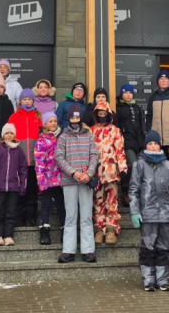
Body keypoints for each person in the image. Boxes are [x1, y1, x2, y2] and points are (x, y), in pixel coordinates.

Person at [128, 130, 169, 292]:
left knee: (164, 248)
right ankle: (148, 279)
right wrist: (134, 212)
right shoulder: (139, 165)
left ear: (160, 146)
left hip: (166, 215)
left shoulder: (168, 166)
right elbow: (133, 190)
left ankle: (162, 279)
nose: (153, 146)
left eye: (155, 143)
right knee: (148, 248)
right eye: (150, 144)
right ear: (146, 146)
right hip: (147, 214)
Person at [54, 109, 98, 263]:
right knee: (70, 216)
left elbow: (94, 155)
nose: (74, 118)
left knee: (86, 216)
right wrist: (73, 173)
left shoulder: (88, 135)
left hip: (86, 181)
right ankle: (68, 250)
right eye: (72, 116)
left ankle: (88, 250)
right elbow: (59, 157)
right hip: (69, 181)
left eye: (77, 116)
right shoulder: (63, 136)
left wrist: (89, 174)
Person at [90, 101, 127, 245]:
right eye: (99, 113)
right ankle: (99, 230)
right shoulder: (91, 131)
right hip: (96, 173)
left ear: (109, 114)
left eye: (104, 113)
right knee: (98, 202)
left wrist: (122, 168)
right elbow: (88, 152)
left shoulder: (115, 130)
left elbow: (120, 150)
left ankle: (111, 229)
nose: (102, 115)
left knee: (112, 202)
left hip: (111, 173)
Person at [0, 122, 27, 246]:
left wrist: (22, 186)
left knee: (11, 211)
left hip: (14, 187)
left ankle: (8, 235)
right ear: (3, 135)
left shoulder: (19, 151)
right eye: (7, 133)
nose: (9, 135)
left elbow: (23, 170)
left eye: (11, 133)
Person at [8, 88, 41, 226]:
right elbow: (8, 137)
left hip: (34, 162)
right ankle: (19, 217)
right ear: (20, 101)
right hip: (19, 162)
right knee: (19, 190)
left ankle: (30, 217)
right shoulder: (14, 117)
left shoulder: (38, 117)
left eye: (29, 99)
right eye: (24, 99)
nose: (27, 101)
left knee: (32, 191)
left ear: (33, 101)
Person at [34, 111, 65, 245]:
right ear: (45, 124)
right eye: (50, 121)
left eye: (55, 121)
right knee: (46, 204)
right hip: (47, 179)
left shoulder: (61, 138)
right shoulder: (41, 141)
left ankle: (65, 231)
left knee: (61, 205)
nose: (53, 123)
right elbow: (39, 162)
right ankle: (44, 231)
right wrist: (41, 180)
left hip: (60, 179)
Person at [115, 83, 145, 205]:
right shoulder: (118, 108)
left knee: (140, 167)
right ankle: (125, 191)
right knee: (132, 164)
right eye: (125, 92)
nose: (128, 95)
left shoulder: (137, 108)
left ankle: (137, 193)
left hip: (138, 142)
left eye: (130, 92)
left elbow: (142, 126)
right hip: (126, 142)